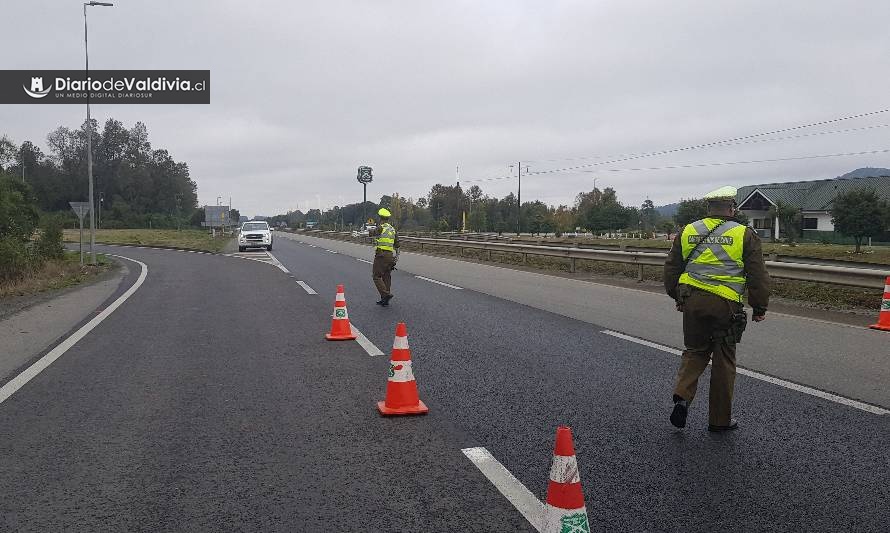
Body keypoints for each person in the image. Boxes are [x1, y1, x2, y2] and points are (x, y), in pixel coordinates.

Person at [663, 186, 770, 432]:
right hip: (726, 305)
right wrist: (759, 306)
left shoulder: (688, 230)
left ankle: (682, 397)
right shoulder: (745, 234)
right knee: (723, 359)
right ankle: (719, 421)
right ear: (731, 208)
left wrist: (677, 297)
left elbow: (671, 269)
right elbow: (758, 276)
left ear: (708, 209)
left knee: (695, 351)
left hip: (692, 301)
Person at [369, 208, 399, 306]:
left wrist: (366, 231)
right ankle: (384, 300)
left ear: (380, 218)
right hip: (390, 255)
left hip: (381, 255)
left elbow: (371, 234)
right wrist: (396, 258)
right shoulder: (393, 229)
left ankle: (386, 295)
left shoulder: (381, 227)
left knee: (376, 276)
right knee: (386, 276)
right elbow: (397, 245)